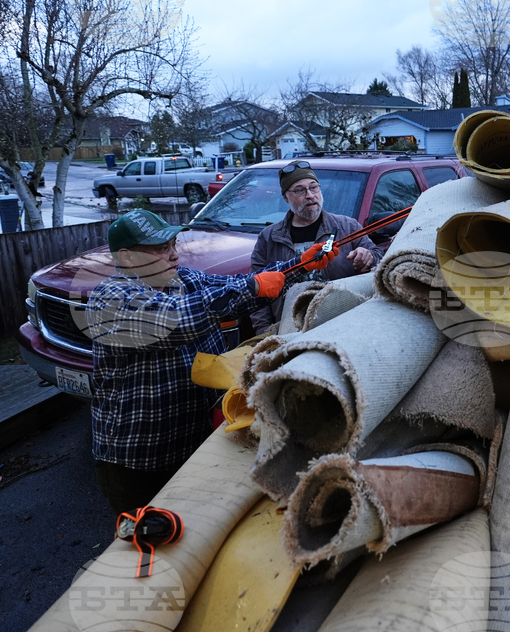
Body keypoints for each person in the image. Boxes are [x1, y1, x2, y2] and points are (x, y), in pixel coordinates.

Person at [86, 209, 338, 514]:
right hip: (139, 460)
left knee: (193, 531)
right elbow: (178, 319)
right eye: (161, 249)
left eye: (173, 245)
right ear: (127, 258)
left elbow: (236, 286)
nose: (174, 255)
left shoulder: (184, 279)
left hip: (194, 446)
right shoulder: (109, 299)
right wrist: (251, 288)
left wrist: (298, 265)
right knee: (145, 545)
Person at [250, 160, 383, 334]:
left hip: (343, 324)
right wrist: (264, 332)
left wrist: (369, 257)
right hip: (289, 330)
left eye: (314, 187)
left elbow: (380, 260)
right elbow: (256, 292)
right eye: (300, 190)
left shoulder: (348, 227)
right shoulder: (269, 238)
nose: (310, 195)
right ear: (285, 197)